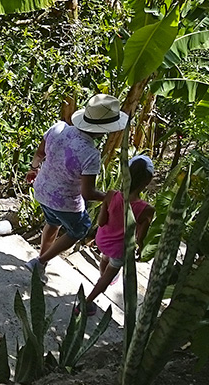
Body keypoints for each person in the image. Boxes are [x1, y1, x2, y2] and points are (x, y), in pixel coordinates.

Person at [24, 94, 128, 280]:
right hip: (64, 201)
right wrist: (110, 196)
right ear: (104, 130)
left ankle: (42, 263)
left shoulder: (59, 128)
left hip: (42, 190)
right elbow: (87, 193)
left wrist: (33, 169)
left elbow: (39, 153)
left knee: (52, 222)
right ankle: (38, 262)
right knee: (80, 228)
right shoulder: (90, 153)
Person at [77, 155, 156, 315]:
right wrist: (140, 248)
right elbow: (141, 237)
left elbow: (101, 221)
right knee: (107, 278)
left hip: (102, 240)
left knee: (106, 258)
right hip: (120, 248)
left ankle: (104, 275)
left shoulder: (112, 194)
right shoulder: (146, 209)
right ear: (147, 182)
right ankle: (86, 303)